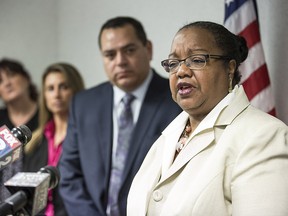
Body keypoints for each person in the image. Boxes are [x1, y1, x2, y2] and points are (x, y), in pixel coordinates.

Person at [127, 21, 288, 216]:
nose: (181, 71)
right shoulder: (166, 137)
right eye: (173, 63)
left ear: (229, 68)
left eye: (196, 60)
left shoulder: (263, 136)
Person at [59, 16, 181, 216]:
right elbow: (69, 174)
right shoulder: (83, 104)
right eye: (110, 55)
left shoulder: (177, 101)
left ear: (148, 49)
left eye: (129, 50)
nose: (120, 62)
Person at [23, 63, 85, 216]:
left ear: (76, 90)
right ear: (44, 95)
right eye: (50, 89)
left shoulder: (87, 137)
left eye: (64, 87)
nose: (56, 94)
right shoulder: (35, 141)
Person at [0, 58, 39, 202]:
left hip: (38, 201)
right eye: (1, 81)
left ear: (26, 78)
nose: (7, 83)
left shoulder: (46, 116)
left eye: (11, 75)